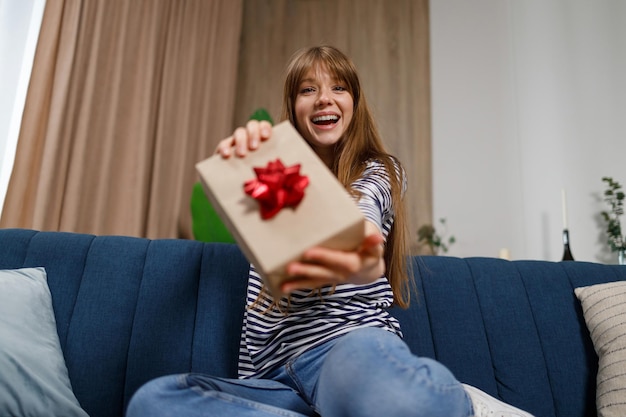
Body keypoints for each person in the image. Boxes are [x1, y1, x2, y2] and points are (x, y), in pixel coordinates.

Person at [127, 45, 533, 417]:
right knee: (154, 402)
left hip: (347, 354)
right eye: (308, 89)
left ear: (354, 103)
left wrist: (362, 255)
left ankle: (459, 404)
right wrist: (245, 162)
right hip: (272, 383)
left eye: (339, 87)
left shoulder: (378, 173)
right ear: (293, 106)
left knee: (389, 395)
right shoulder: (273, 185)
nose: (324, 97)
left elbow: (365, 223)